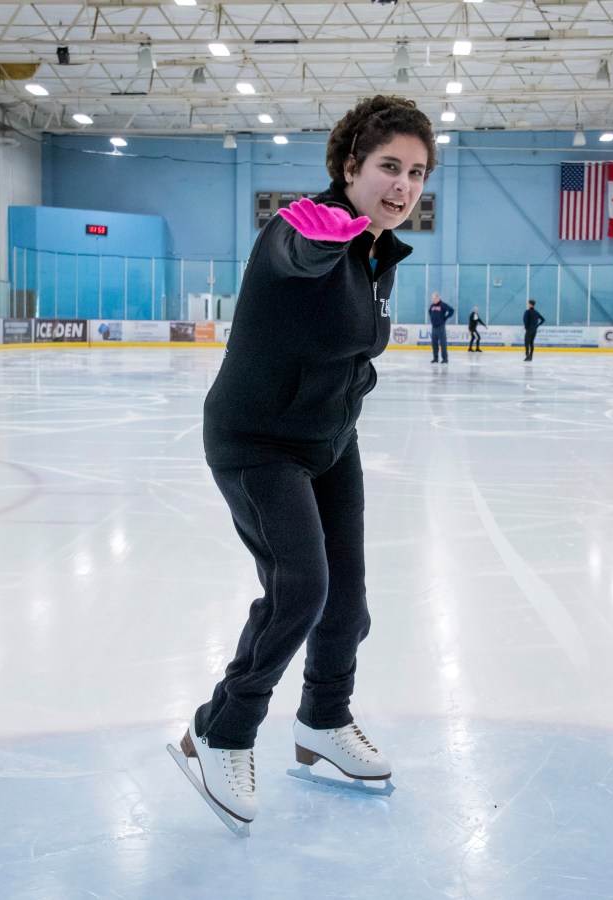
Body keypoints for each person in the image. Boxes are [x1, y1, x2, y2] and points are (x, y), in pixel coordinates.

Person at [175, 95, 436, 833]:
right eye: (389, 167)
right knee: (301, 588)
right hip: (256, 440)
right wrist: (326, 224)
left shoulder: (379, 254)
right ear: (350, 166)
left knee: (347, 602)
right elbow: (297, 249)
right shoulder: (306, 228)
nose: (403, 186)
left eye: (416, 173)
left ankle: (323, 720)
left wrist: (361, 237)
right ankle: (219, 731)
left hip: (329, 441)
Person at [428, 291, 454, 363]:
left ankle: (445, 359)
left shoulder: (443, 305)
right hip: (434, 327)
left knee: (443, 343)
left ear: (438, 298)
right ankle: (435, 358)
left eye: (434, 298)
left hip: (440, 327)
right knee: (434, 344)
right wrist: (432, 319)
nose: (433, 300)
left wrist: (445, 318)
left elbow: (451, 310)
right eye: (432, 298)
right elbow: (430, 312)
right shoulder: (432, 306)